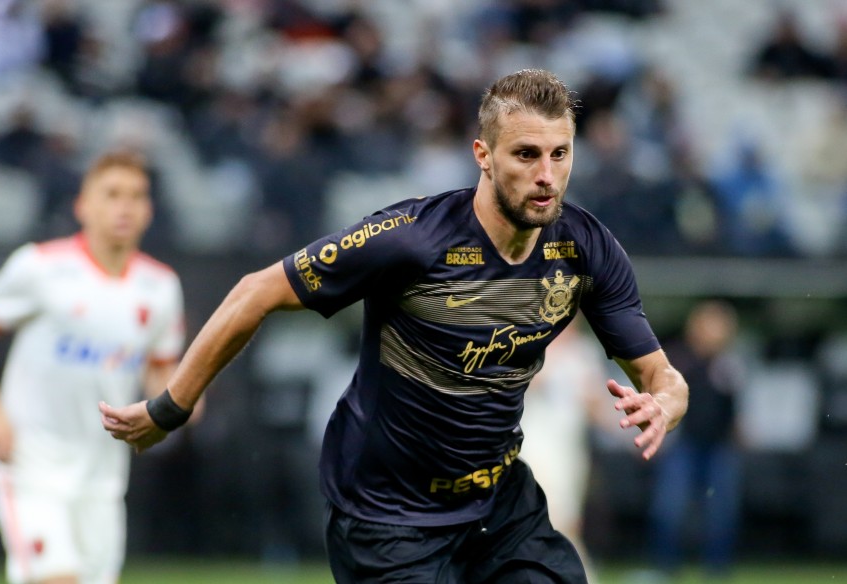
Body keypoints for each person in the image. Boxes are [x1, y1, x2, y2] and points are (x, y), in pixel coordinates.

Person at [101, 68, 688, 583]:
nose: (546, 175)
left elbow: (661, 374)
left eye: (560, 154)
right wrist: (170, 408)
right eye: (526, 154)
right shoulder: (411, 239)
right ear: (483, 155)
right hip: (386, 516)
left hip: (498, 506)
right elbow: (253, 293)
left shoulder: (586, 249)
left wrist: (663, 403)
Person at [0, 151, 186, 584]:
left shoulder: (161, 288)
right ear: (83, 206)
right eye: (112, 194)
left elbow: (160, 371)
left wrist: (181, 401)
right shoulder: (41, 267)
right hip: (31, 462)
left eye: (136, 196)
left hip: (103, 477)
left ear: (149, 210)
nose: (125, 206)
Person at [648, 300, 744, 580]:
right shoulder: (677, 361)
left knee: (721, 512)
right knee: (669, 508)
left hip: (719, 448)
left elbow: (733, 409)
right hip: (683, 445)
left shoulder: (730, 364)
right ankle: (664, 568)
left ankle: (717, 571)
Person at [520, 316, 608, 581]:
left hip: (569, 448)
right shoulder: (526, 348)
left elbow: (597, 404)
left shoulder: (584, 352)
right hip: (534, 445)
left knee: (566, 520)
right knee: (544, 514)